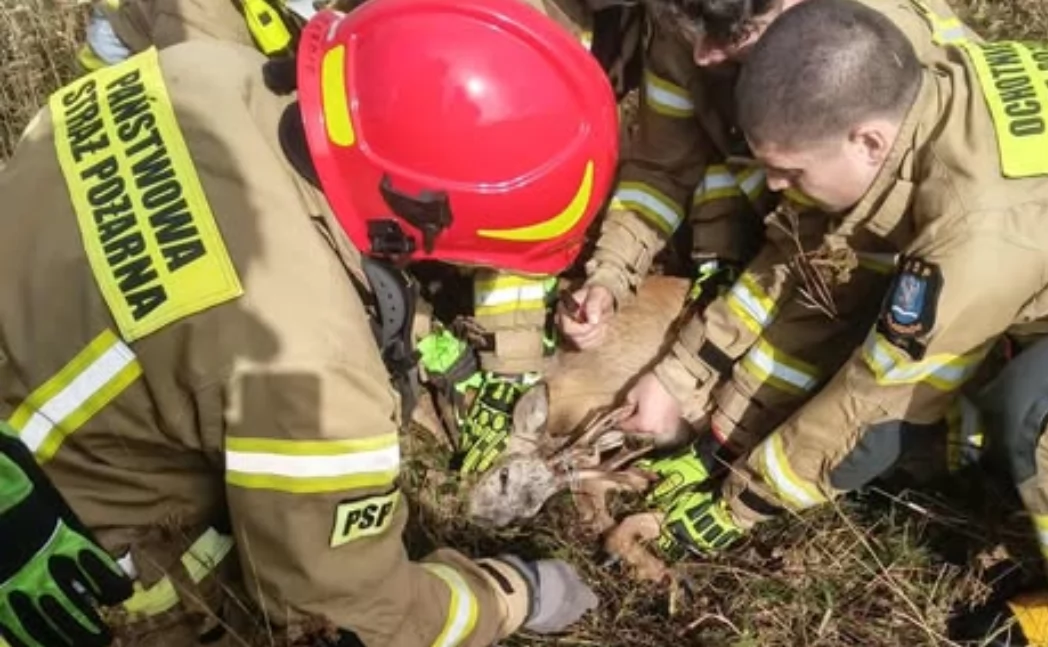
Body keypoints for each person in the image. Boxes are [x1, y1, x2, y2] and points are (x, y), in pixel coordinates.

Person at [0, 0, 619, 645]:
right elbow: (351, 617)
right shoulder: (313, 368)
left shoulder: (200, 69)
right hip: (64, 554)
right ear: (421, 217)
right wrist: (510, 594)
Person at [652, 0, 1048, 643]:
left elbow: (878, 404)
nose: (775, 186)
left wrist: (744, 500)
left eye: (790, 170)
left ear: (868, 141)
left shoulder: (977, 228)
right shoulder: (945, 97)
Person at [74, 0, 645, 477]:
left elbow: (495, 173)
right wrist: (415, 337)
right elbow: (345, 202)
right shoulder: (209, 64)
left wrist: (510, 365)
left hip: (301, 68)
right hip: (173, 113)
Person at [561, 0, 987, 527]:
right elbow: (661, 166)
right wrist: (609, 273)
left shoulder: (867, 64)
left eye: (729, 36)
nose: (701, 52)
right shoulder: (694, 23)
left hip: (903, 259)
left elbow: (820, 279)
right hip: (796, 216)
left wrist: (707, 414)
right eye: (688, 30)